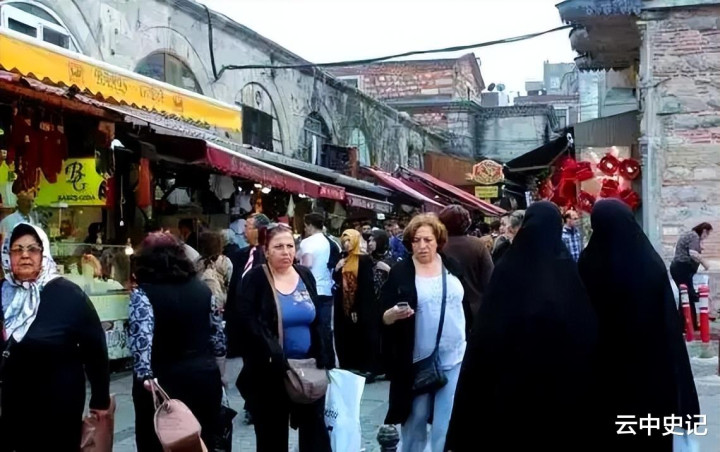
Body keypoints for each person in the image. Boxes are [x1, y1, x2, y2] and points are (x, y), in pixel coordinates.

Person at [445, 202, 598, 451]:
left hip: (510, 389)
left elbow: (487, 334)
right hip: (560, 390)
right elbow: (584, 331)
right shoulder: (567, 272)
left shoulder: (508, 269)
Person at [578, 199, 700, 451]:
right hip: (651, 372)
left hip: (605, 373)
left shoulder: (588, 264)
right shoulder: (650, 263)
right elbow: (668, 325)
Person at [0, 223, 111, 451]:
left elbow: (95, 348)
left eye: (32, 249)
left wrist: (100, 399)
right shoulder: (2, 292)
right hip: (10, 404)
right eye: (17, 249)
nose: (25, 255)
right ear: (7, 255)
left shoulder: (68, 294)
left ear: (43, 254)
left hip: (57, 405)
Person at [234, 223, 332, 451]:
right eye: (278, 247)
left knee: (315, 436)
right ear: (266, 251)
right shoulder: (256, 279)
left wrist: (325, 355)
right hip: (271, 373)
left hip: (308, 369)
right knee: (272, 438)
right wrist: (271, 353)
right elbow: (248, 322)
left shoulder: (304, 274)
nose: (286, 252)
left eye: (290, 246)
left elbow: (318, 319)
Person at [381, 214, 472, 452]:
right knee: (415, 422)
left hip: (454, 356)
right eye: (416, 240)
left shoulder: (451, 265)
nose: (422, 245)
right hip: (417, 362)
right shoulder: (401, 272)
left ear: (438, 241)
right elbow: (382, 316)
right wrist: (393, 314)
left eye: (428, 240)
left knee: (446, 423)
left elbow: (464, 306)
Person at [129, 232, 226, 451]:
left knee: (159, 443)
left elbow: (141, 344)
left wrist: (144, 377)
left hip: (161, 383)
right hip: (203, 376)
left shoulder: (143, 295)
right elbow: (218, 339)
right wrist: (220, 373)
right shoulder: (203, 291)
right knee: (203, 441)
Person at [333, 229, 380, 378]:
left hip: (362, 303)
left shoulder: (363, 260)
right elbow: (337, 280)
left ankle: (366, 366)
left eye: (349, 240)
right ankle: (349, 363)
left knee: (364, 333)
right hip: (344, 303)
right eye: (344, 241)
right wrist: (337, 268)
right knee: (346, 333)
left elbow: (366, 285)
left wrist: (356, 307)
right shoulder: (342, 258)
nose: (346, 244)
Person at [225, 213, 271, 358]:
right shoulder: (240, 255)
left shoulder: (268, 256)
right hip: (238, 317)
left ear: (259, 230)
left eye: (248, 227)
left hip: (258, 318)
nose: (244, 231)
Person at [439, 205, 494, 315]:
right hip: (475, 308)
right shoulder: (477, 245)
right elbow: (490, 279)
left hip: (446, 308)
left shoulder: (438, 246)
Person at [298, 213, 336, 366]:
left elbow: (307, 264)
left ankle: (317, 360)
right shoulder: (331, 242)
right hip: (327, 288)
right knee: (325, 326)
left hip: (312, 289)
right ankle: (329, 361)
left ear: (309, 225)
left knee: (313, 326)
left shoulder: (307, 242)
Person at [670, 222, 713, 329]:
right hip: (682, 268)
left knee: (686, 295)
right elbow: (693, 253)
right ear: (704, 231)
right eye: (707, 234)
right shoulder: (694, 236)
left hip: (679, 268)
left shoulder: (690, 235)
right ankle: (685, 324)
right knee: (687, 295)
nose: (706, 237)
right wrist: (705, 263)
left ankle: (688, 324)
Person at [196, 231, 234, 312]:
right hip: (219, 301)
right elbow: (230, 282)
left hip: (201, 298)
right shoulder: (225, 261)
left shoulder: (197, 262)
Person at [368, 229, 393, 299]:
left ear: (381, 241)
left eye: (373, 240)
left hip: (387, 299)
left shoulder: (392, 259)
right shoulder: (368, 259)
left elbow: (399, 281)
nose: (370, 243)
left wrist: (388, 269)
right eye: (369, 240)